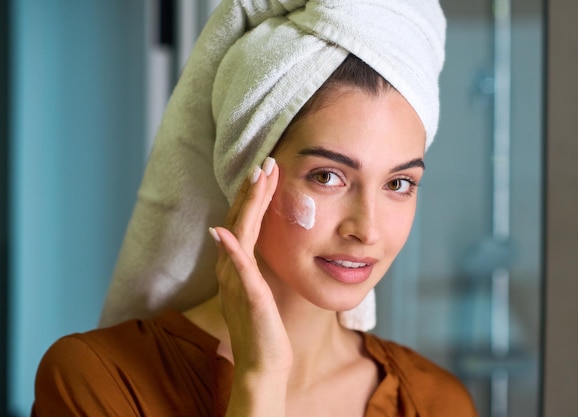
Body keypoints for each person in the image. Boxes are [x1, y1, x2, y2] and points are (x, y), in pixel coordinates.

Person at [32, 1, 478, 416]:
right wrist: (259, 379)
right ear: (245, 171)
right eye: (327, 176)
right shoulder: (101, 382)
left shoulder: (434, 402)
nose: (367, 229)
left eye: (398, 183)